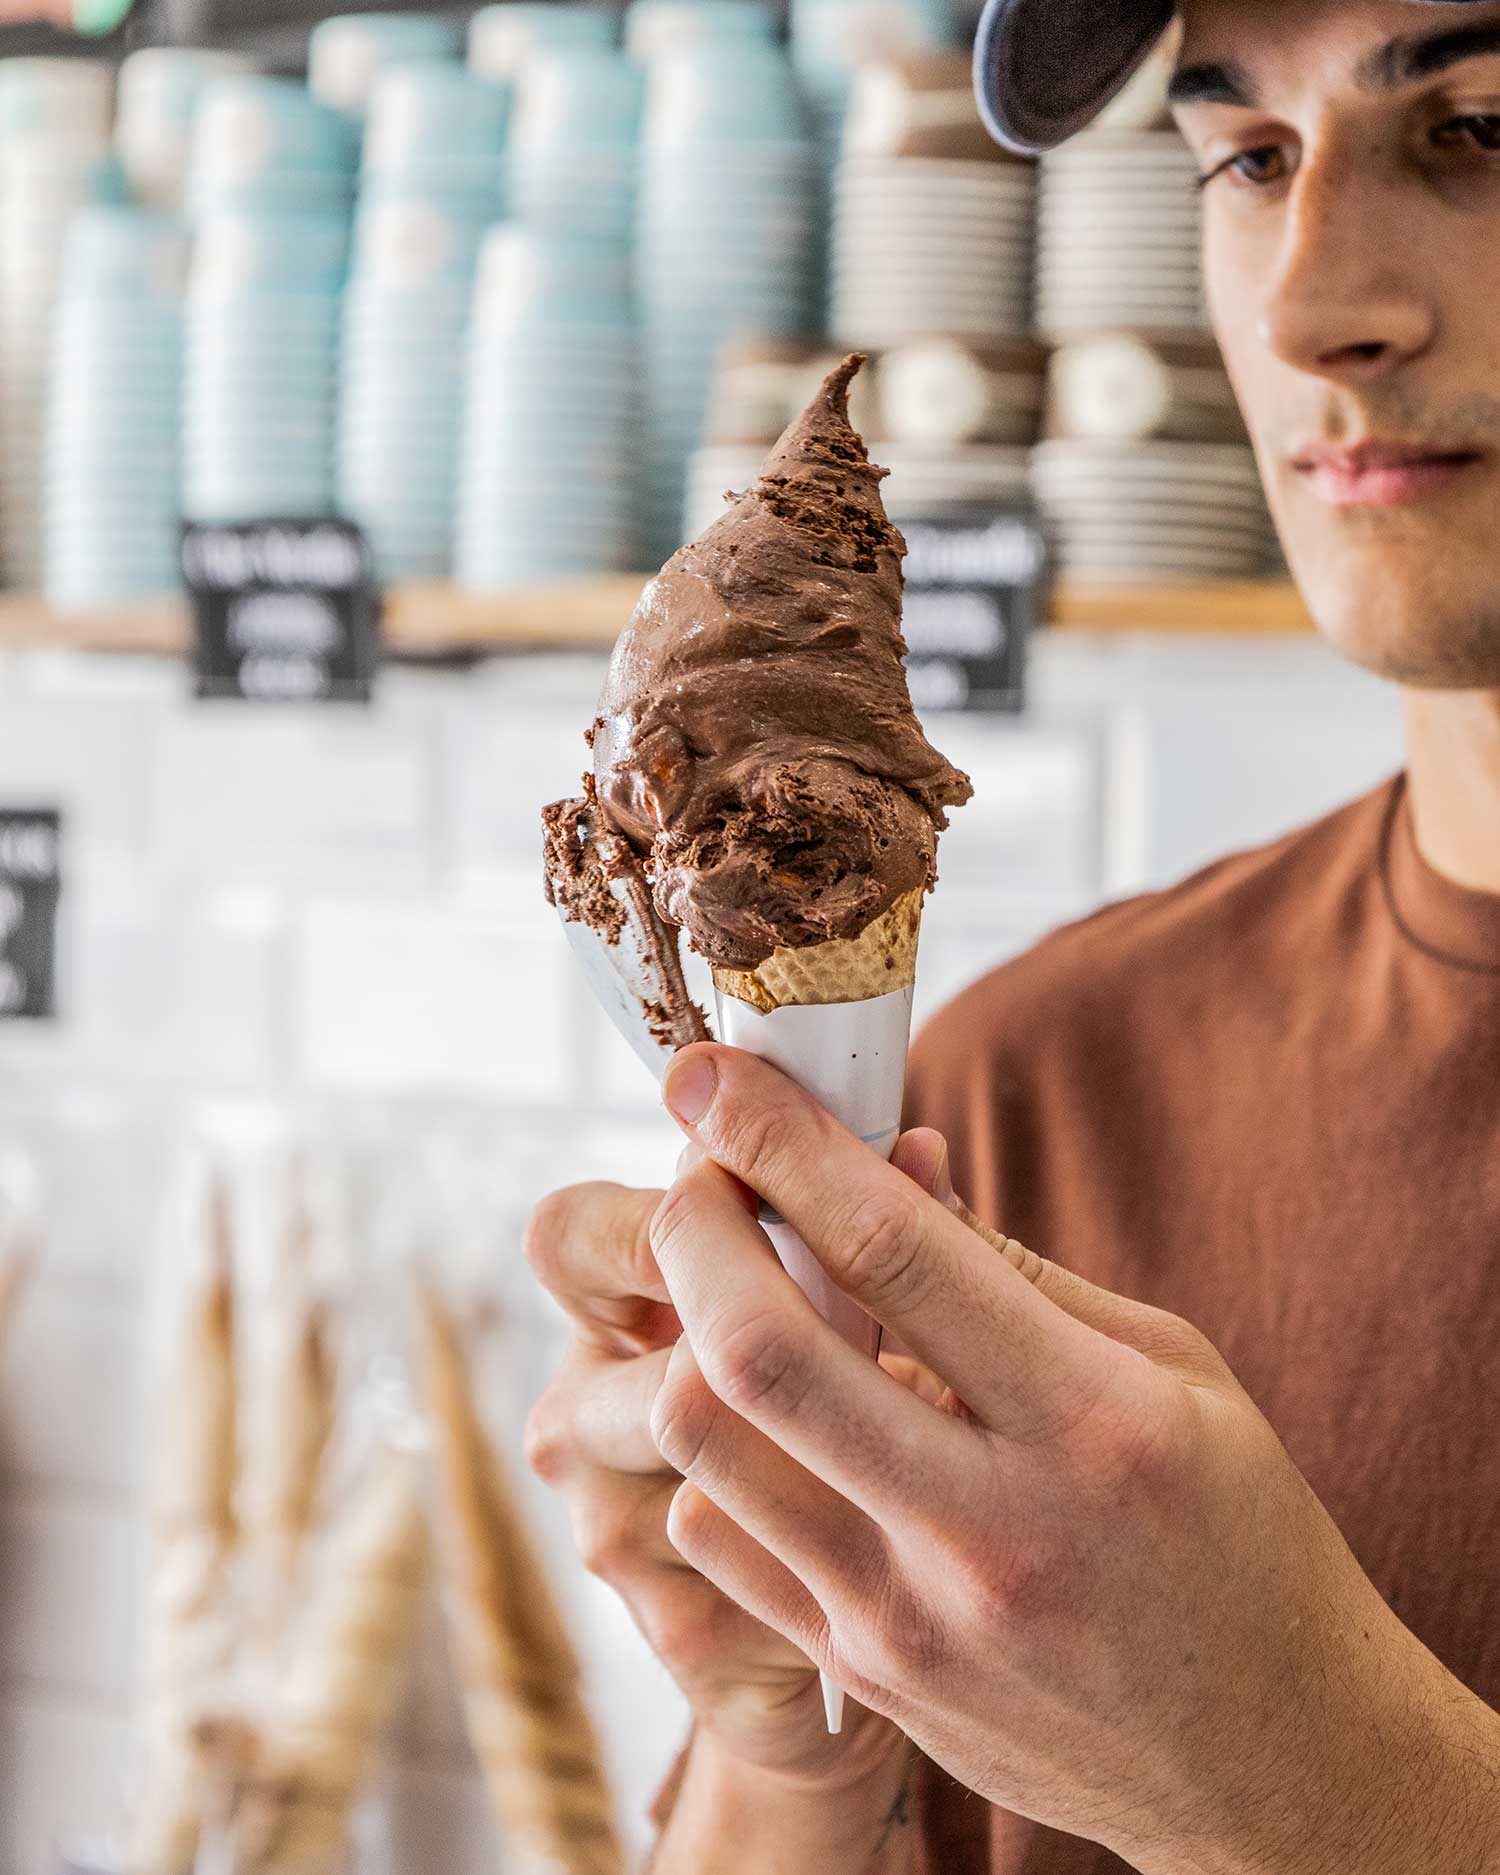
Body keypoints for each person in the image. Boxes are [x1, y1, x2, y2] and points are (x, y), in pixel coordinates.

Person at [523, 0, 1500, 1867]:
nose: (1308, 313)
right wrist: (796, 1754)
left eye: (1484, 129)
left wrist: (1306, 1782)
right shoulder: (1023, 1097)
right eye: (1249, 157)